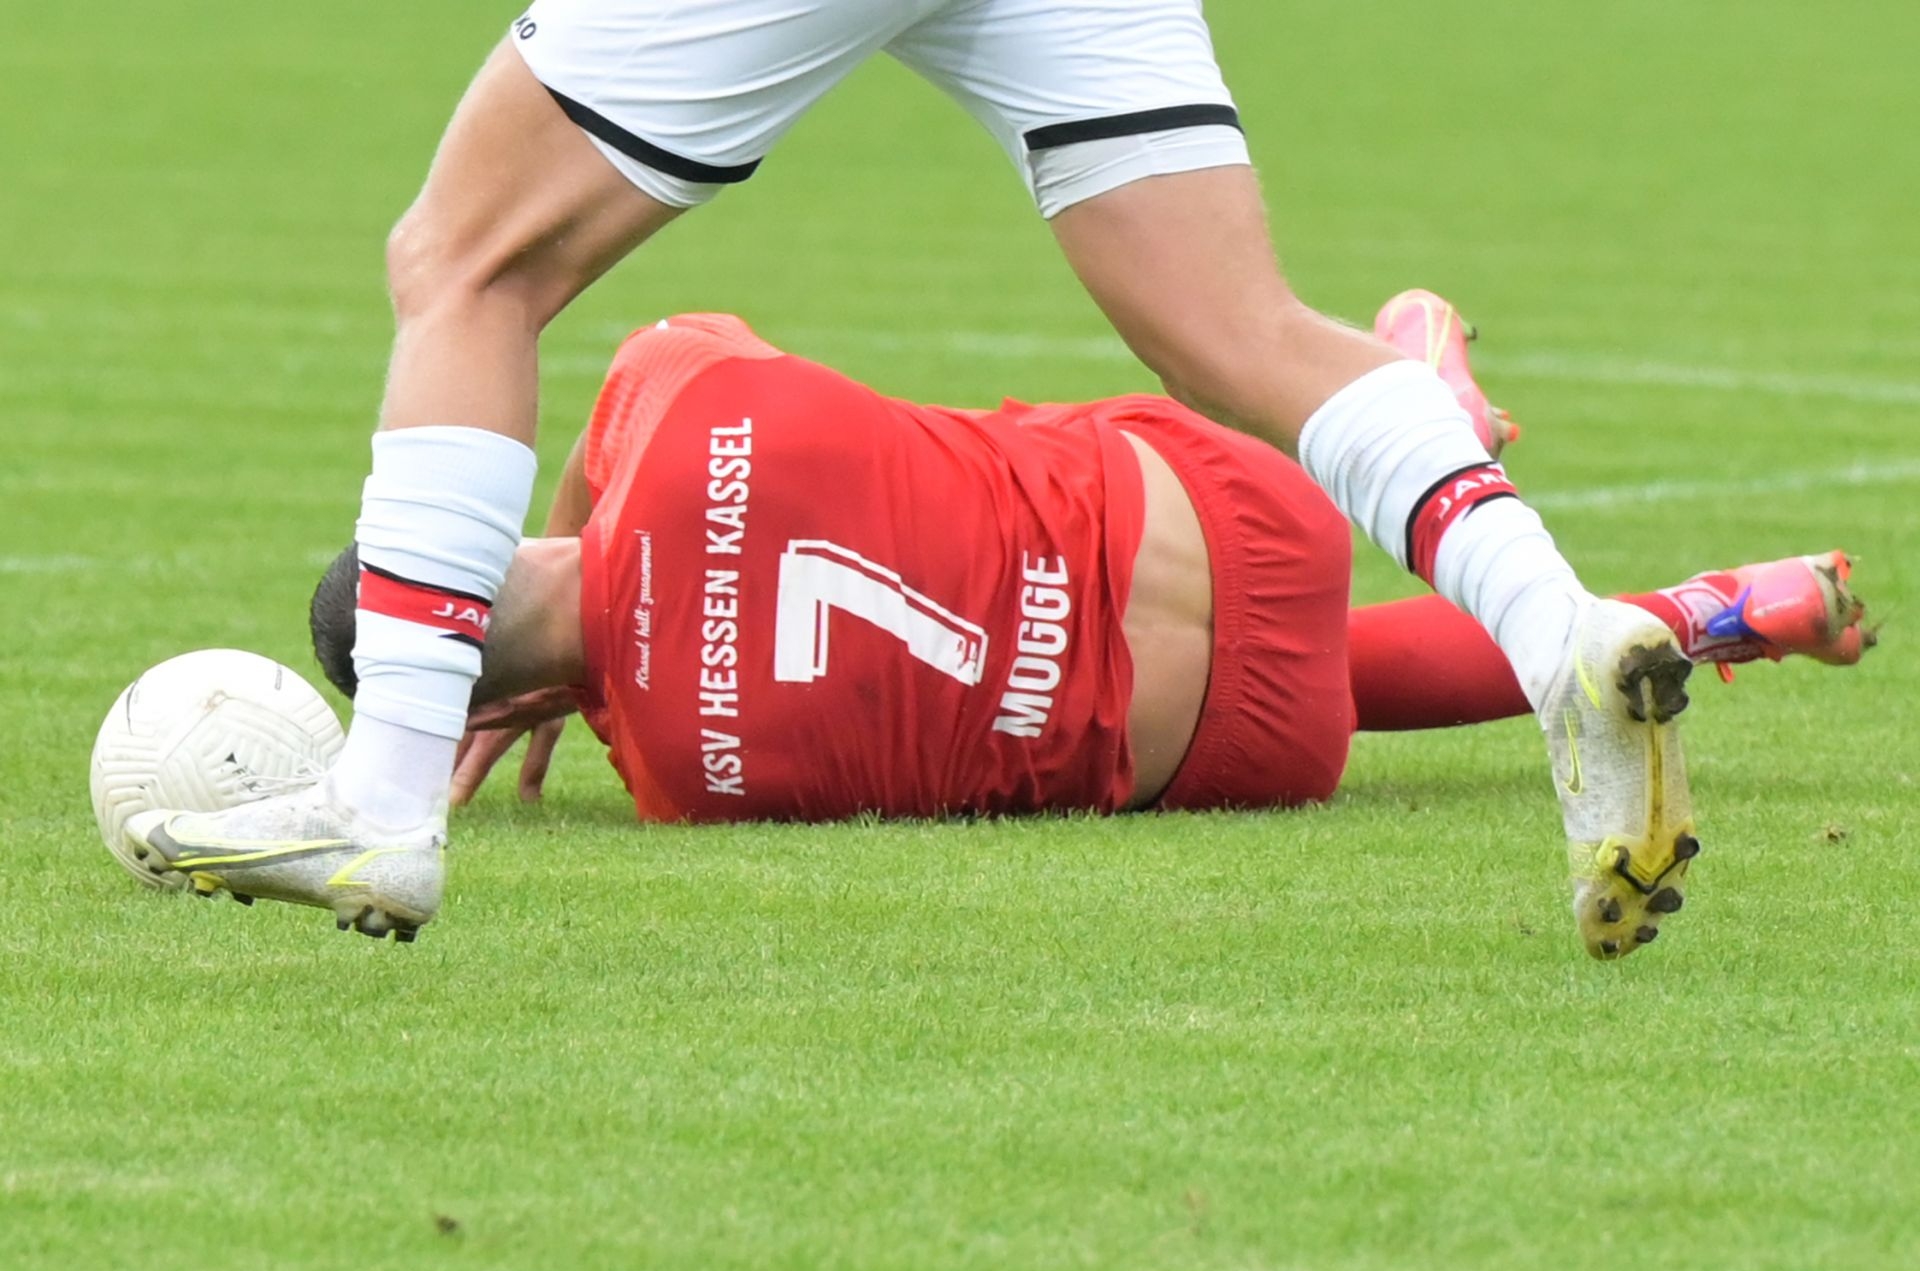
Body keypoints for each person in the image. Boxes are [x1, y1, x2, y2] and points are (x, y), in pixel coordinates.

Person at [126, 2, 1721, 953]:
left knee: (465, 261)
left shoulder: (674, 763)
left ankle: (386, 796)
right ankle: (1555, 629)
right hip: (1195, 588)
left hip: (1170, 686)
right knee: (1239, 334)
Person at [132, 300, 1872, 957]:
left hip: (1239, 741)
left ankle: (1723, 610)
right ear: (481, 530)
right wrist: (603, 523)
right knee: (1059, 439)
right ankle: (1414, 411)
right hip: (1237, 508)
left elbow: (655, 660)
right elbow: (676, 354)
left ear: (470, 708)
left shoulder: (670, 779)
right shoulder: (668, 393)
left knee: (1301, 678)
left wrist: (587, 684)